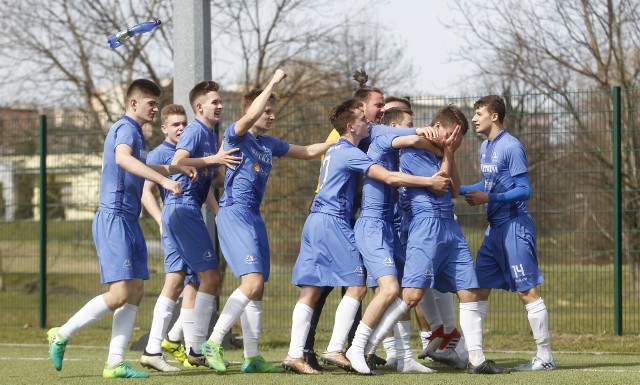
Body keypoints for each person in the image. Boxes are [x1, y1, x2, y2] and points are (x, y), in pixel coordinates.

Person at [283, 98, 452, 375]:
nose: (369, 120)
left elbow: (400, 137)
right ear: (351, 126)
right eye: (364, 117)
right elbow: (388, 175)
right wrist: (427, 179)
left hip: (315, 219)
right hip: (333, 220)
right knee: (358, 286)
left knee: (311, 289)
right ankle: (339, 348)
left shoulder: (337, 149)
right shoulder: (352, 152)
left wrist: (422, 135)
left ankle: (294, 354)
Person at [46, 79, 197, 379]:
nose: (155, 108)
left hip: (129, 220)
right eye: (151, 103)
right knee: (118, 294)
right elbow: (122, 159)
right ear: (133, 104)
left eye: (156, 103)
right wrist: (166, 182)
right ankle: (61, 334)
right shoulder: (126, 129)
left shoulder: (138, 135)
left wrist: (175, 168)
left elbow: (143, 165)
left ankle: (115, 362)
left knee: (137, 291)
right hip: (113, 218)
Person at [200, 69, 335, 374]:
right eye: (267, 110)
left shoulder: (269, 144)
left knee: (257, 289)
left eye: (274, 111)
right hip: (234, 214)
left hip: (254, 217)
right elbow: (248, 119)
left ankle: (251, 357)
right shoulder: (235, 133)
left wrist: (340, 142)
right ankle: (214, 341)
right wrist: (272, 83)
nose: (272, 116)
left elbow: (308, 151)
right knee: (252, 283)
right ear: (252, 110)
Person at [362, 103, 511, 375]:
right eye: (452, 135)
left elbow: (453, 189)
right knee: (411, 296)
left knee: (469, 292)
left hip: (449, 227)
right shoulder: (412, 150)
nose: (454, 142)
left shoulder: (442, 151)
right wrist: (447, 153)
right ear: (438, 128)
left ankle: (476, 359)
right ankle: (366, 349)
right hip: (425, 227)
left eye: (459, 139)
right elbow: (440, 181)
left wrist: (449, 153)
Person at [346, 107, 446, 374]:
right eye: (408, 123)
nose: (371, 117)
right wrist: (438, 146)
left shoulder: (382, 142)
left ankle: (403, 358)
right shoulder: (381, 134)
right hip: (372, 226)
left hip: (387, 226)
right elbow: (413, 138)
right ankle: (357, 348)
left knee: (399, 289)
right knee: (389, 289)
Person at [460, 95, 555, 371]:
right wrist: (462, 190)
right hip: (494, 230)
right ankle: (471, 352)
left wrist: (487, 198)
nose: (474, 118)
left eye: (479, 113)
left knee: (527, 292)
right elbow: (490, 182)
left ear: (495, 117)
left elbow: (524, 190)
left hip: (514, 225)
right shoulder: (485, 147)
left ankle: (545, 356)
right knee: (478, 290)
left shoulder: (511, 146)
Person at [303, 69, 387, 371]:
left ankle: (352, 346)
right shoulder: (344, 138)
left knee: (353, 281)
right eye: (379, 105)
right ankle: (310, 348)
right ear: (361, 110)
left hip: (344, 215)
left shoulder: (363, 133)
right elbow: (330, 179)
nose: (382, 111)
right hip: (333, 216)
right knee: (329, 285)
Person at [138, 104, 222, 371]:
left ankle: (165, 345)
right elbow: (145, 192)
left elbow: (204, 183)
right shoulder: (162, 153)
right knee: (196, 280)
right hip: (177, 220)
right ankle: (191, 347)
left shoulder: (192, 147)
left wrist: (217, 209)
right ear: (164, 128)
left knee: (184, 284)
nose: (181, 127)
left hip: (185, 217)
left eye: (183, 123)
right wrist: (160, 221)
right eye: (175, 124)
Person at [165, 80, 241, 368]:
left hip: (187, 210)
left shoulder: (210, 134)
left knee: (191, 282)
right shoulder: (196, 130)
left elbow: (210, 176)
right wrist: (215, 158)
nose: (220, 106)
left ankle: (173, 341)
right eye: (215, 102)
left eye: (221, 102)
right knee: (211, 279)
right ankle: (198, 349)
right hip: (182, 209)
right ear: (199, 107)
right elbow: (178, 160)